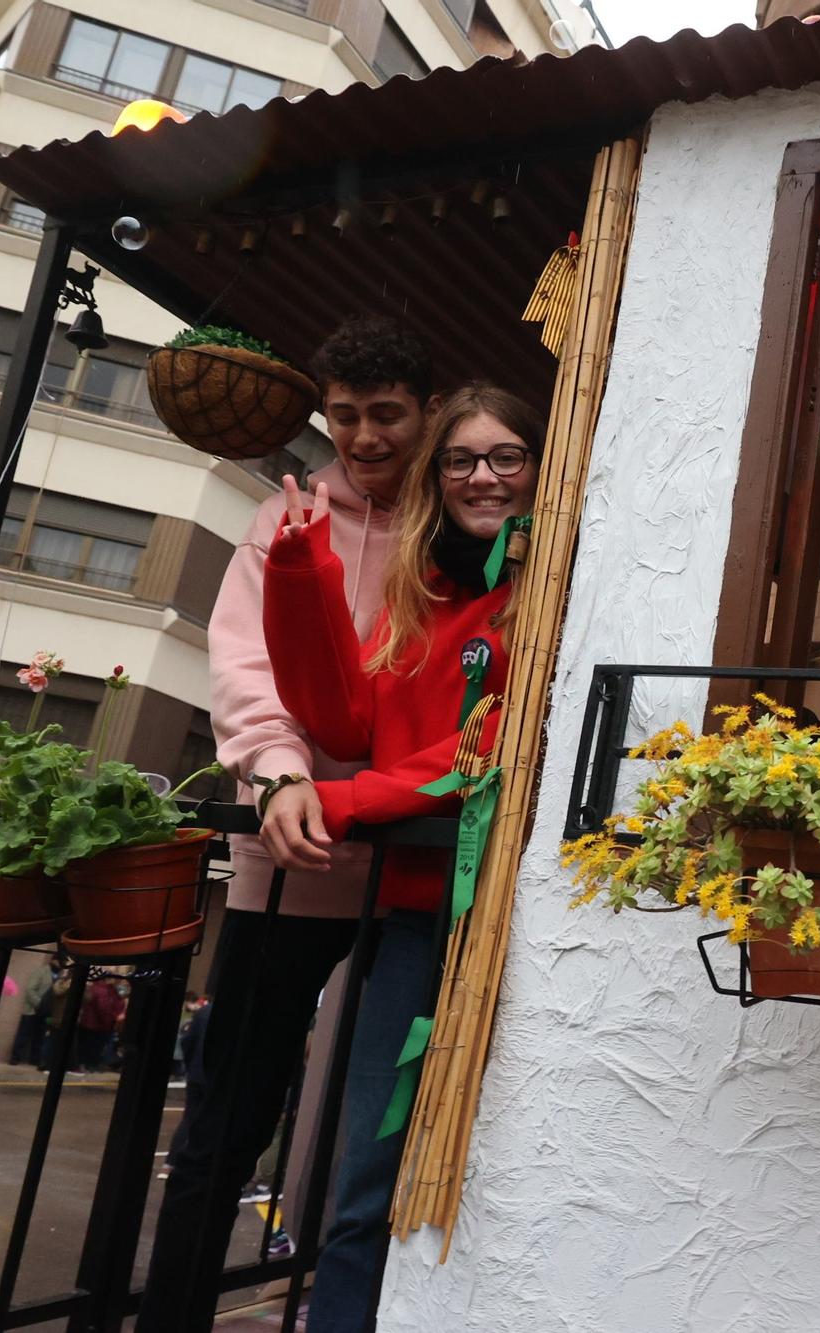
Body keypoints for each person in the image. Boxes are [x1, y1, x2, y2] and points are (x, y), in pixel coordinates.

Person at [138, 316, 439, 1333]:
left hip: (414, 873)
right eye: (345, 415)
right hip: (287, 862)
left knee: (384, 1127)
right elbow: (242, 664)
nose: (362, 436)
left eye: (386, 413)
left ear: (426, 413)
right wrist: (276, 774)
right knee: (229, 1115)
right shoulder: (284, 518)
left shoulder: (466, 529)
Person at [260, 381, 536, 1331]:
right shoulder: (424, 590)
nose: (482, 476)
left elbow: (483, 757)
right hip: (410, 920)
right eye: (460, 459)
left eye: (506, 455)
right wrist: (302, 577)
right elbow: (346, 716)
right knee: (363, 1179)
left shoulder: (549, 594)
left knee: (498, 1180)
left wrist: (333, 801)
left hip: (509, 922)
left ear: (543, 468)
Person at [10, 959, 57, 1065]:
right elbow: (30, 989)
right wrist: (39, 1004)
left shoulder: (59, 975)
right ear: (54, 960)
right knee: (24, 1035)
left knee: (39, 1037)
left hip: (45, 1012)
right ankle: (15, 1057)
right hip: (32, 1010)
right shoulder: (41, 972)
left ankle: (35, 1059)